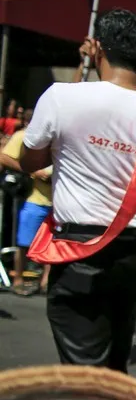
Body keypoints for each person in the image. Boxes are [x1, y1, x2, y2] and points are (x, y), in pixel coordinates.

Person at [18, 9, 136, 372]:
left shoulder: (62, 97)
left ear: (96, 49)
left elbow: (30, 161)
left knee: (83, 365)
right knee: (114, 356)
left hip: (79, 246)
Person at [0, 108, 52, 296]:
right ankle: (18, 279)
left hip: (56, 201)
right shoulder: (23, 136)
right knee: (24, 242)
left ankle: (46, 282)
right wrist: (33, 171)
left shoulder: (60, 137)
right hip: (33, 198)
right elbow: (4, 157)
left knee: (52, 245)